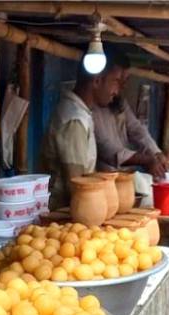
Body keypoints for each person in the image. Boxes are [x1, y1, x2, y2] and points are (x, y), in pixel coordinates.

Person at [40, 56, 124, 208]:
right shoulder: (74, 119)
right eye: (116, 81)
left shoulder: (82, 114)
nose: (117, 91)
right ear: (97, 81)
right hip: (63, 213)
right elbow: (77, 185)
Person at [92, 51, 168, 180]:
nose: (122, 87)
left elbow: (137, 130)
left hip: (124, 178)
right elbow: (108, 150)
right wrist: (146, 160)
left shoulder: (119, 102)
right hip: (104, 180)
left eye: (125, 80)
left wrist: (156, 152)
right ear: (98, 80)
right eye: (117, 81)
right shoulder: (90, 111)